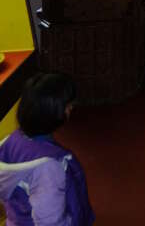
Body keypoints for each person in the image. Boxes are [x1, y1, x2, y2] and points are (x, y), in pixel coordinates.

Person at [0, 73, 94, 225]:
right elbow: (50, 221)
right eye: (68, 105)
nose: (71, 108)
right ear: (54, 112)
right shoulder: (49, 167)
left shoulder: (12, 140)